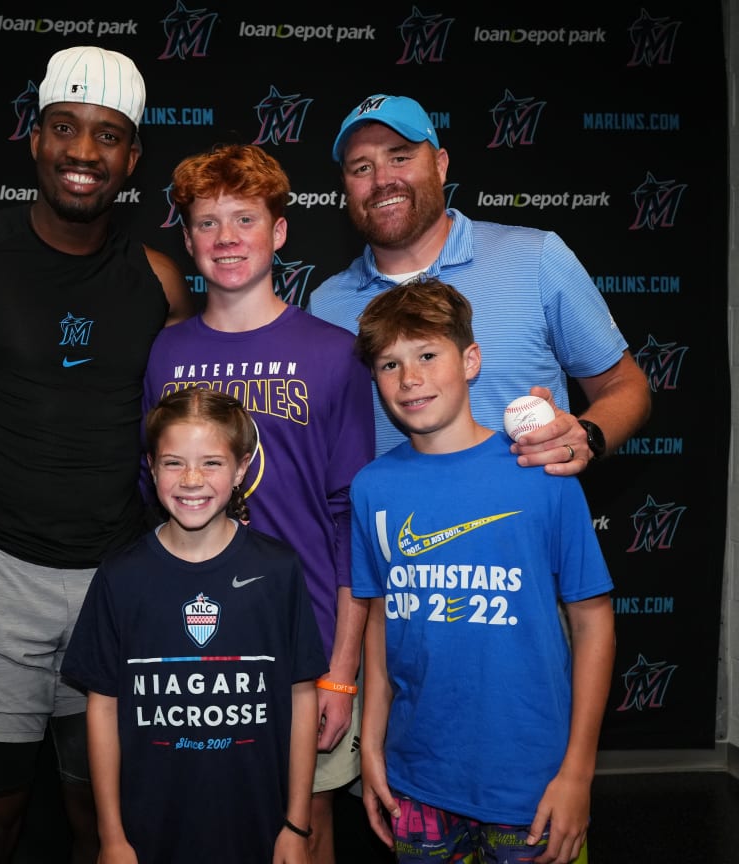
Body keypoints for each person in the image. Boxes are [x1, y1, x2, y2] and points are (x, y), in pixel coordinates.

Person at [0, 45, 194, 864]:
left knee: (104, 823)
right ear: (35, 138)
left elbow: (197, 430)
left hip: (116, 584)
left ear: (132, 159)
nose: (83, 153)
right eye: (65, 128)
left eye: (107, 136)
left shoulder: (159, 281)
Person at [142, 143, 374, 864]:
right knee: (202, 825)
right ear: (186, 241)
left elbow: (350, 522)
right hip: (193, 640)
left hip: (305, 638)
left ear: (279, 231)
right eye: (207, 224)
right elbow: (152, 502)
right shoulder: (166, 354)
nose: (227, 238)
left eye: (246, 219)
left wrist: (342, 670)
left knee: (305, 831)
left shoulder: (335, 353)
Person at [348, 278, 616, 864]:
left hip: (532, 781)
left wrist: (578, 772)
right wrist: (371, 747)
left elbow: (593, 623)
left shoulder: (540, 472)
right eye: (389, 364)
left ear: (470, 360)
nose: (410, 378)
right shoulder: (372, 488)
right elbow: (378, 621)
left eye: (426, 355)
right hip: (416, 776)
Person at [308, 93, 650, 473]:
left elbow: (624, 383)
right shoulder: (326, 306)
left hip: (521, 525)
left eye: (400, 157)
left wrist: (587, 435)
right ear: (345, 186)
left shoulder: (535, 257)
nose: (383, 180)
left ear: (440, 166)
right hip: (391, 530)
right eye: (361, 168)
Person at [62, 388, 327, 864]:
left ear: (242, 469)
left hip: (259, 828)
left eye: (211, 463)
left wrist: (295, 823)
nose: (191, 480)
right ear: (150, 466)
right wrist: (112, 837)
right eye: (172, 463)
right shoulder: (121, 576)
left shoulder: (278, 571)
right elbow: (102, 708)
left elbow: (301, 696)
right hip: (147, 834)